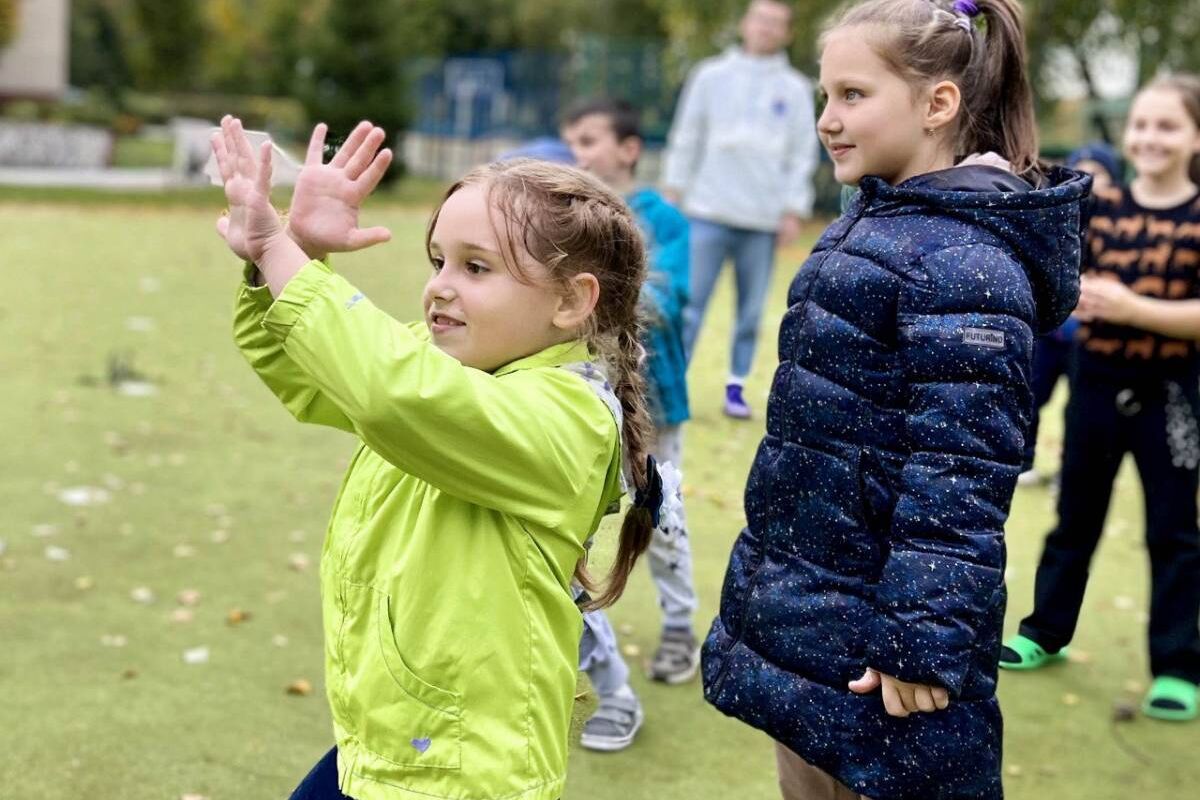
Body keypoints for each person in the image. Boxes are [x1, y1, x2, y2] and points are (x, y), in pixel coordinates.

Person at [210, 115, 668, 799]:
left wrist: (284, 253)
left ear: (572, 301)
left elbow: (389, 393)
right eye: (438, 261)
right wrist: (296, 248)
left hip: (465, 767)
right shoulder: (445, 362)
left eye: (476, 267)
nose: (440, 286)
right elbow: (307, 368)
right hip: (396, 736)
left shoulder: (568, 420)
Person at [699, 1, 1090, 797]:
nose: (827, 120)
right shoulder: (884, 219)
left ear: (937, 104)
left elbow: (962, 469)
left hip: (885, 647)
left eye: (852, 95)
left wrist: (919, 639)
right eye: (824, 96)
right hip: (820, 616)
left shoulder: (964, 259)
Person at [1002, 75, 1200, 723]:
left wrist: (1132, 306)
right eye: (1141, 124)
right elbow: (1061, 281)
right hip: (1095, 384)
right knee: (1074, 520)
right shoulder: (1100, 205)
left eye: (1167, 126)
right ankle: (1043, 633)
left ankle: (1176, 667)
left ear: (1195, 136)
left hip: (1171, 397)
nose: (1150, 137)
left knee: (1173, 533)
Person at [561, 98, 698, 751]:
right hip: (573, 408)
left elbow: (665, 302)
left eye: (590, 140)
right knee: (563, 544)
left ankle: (679, 625)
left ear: (629, 148)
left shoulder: (663, 221)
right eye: (573, 142)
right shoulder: (564, 216)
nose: (579, 154)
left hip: (653, 406)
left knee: (659, 523)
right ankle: (607, 681)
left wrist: (578, 295)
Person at [661, 0, 819, 419]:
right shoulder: (710, 77)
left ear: (786, 33)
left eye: (776, 24)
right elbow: (687, 134)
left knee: (751, 311)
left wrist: (792, 208)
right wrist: (674, 191)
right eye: (760, 20)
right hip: (707, 209)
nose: (766, 29)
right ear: (746, 24)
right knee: (689, 303)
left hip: (761, 218)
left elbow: (802, 152)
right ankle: (675, 384)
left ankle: (736, 387)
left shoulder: (796, 89)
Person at [1017, 142, 1124, 486]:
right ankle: (1025, 460)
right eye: (1084, 169)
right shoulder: (1056, 220)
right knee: (1032, 396)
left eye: (1101, 172)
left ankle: (1070, 469)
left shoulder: (1120, 227)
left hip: (1088, 337)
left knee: (1077, 409)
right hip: (1051, 334)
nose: (1091, 178)